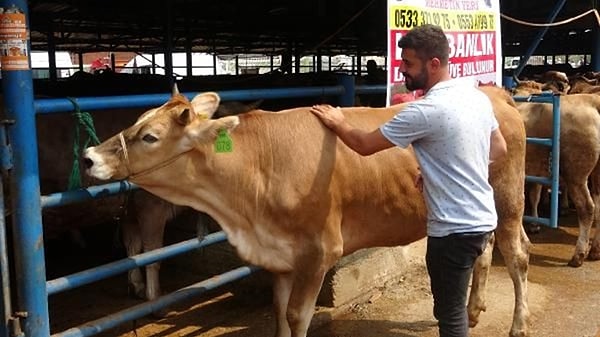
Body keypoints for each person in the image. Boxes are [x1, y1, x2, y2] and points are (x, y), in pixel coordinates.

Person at [310, 24, 507, 337]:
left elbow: (362, 145)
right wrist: (442, 171)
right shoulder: (476, 97)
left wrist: (339, 122)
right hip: (482, 220)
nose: (403, 70)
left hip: (452, 230)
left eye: (409, 64)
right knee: (452, 306)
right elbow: (499, 147)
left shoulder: (425, 111)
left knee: (450, 314)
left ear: (434, 64)